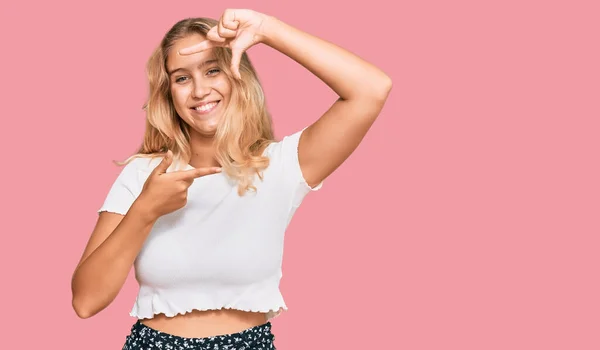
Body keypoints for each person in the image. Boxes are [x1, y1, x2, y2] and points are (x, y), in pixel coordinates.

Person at [71, 8, 392, 350]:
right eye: (181, 78)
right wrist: (145, 210)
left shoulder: (280, 165)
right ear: (169, 94)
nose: (199, 90)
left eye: (213, 71)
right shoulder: (143, 174)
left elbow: (372, 89)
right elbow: (86, 301)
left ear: (238, 74)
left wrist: (267, 29)